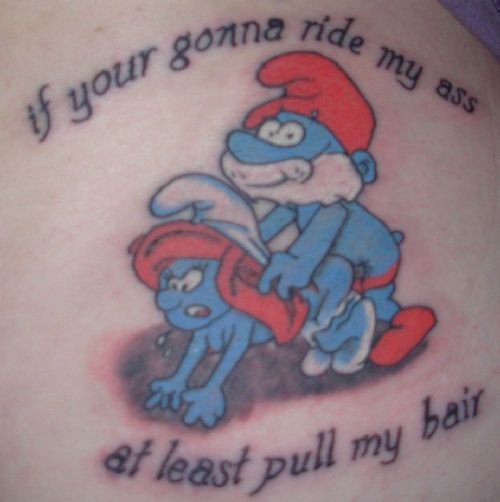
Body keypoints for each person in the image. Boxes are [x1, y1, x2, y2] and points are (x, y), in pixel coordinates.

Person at [0, 1, 498, 500]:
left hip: (367, 267)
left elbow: (316, 241)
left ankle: (347, 327)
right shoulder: (297, 196)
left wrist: (290, 263)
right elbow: (271, 221)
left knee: (331, 275)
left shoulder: (330, 203)